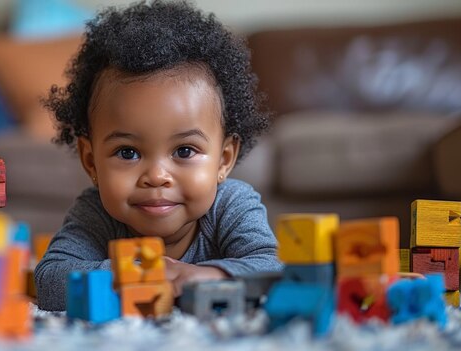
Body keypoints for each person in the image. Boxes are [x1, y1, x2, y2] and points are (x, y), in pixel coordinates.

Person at [35, 0, 283, 311]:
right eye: (128, 152)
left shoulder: (232, 205)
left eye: (184, 151)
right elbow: (49, 282)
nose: (156, 176)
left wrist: (210, 275)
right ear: (91, 161)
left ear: (223, 159)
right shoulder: (96, 213)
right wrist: (135, 274)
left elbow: (272, 270)